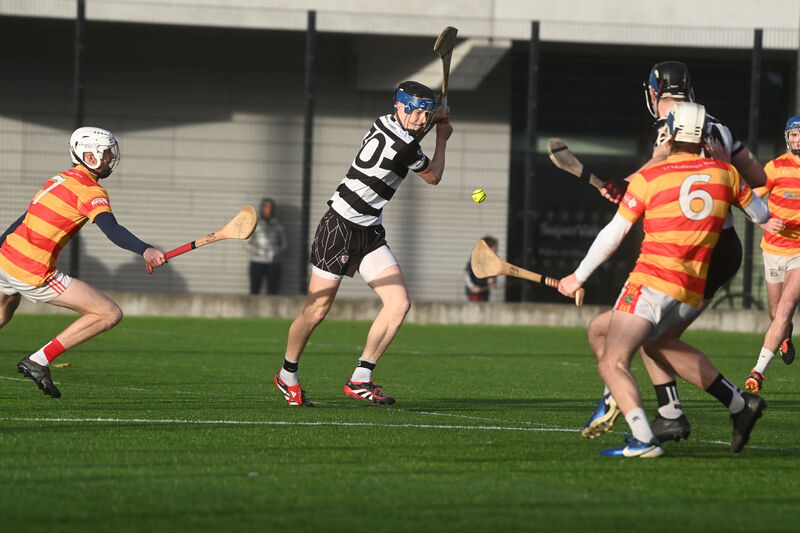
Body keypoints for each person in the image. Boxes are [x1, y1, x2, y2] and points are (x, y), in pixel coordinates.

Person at [558, 102, 769, 457]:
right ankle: (738, 405)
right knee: (629, 337)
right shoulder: (727, 174)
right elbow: (760, 213)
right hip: (690, 288)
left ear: (669, 135)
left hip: (651, 281)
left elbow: (613, 234)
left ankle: (643, 438)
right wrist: (724, 167)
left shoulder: (649, 177)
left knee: (613, 360)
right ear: (703, 137)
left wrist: (576, 277)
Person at [273, 81, 453, 406]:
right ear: (399, 106)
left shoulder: (384, 122)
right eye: (414, 111)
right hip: (339, 227)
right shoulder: (407, 146)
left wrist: (433, 120)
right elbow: (434, 175)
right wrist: (442, 137)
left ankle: (361, 378)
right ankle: (287, 375)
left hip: (368, 231)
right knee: (316, 311)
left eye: (424, 113)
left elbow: (407, 145)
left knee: (398, 304)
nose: (419, 119)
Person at [0, 127, 166, 398]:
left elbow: (24, 218)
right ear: (90, 156)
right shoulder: (89, 190)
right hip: (31, 271)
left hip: (5, 259)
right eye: (107, 152)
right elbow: (113, 230)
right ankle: (38, 360)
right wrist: (145, 250)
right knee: (108, 313)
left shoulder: (59, 179)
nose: (112, 157)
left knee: (2, 314)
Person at [744, 115, 800, 392]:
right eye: (793, 135)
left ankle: (757, 372)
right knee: (776, 311)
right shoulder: (775, 167)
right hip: (773, 249)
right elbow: (750, 202)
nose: (797, 139)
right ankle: (785, 337)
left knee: (787, 308)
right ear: (787, 137)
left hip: (799, 253)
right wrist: (765, 221)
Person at [247, 197, 286, 295]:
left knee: (273, 291)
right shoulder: (256, 225)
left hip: (273, 262)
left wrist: (276, 252)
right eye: (266, 207)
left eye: (271, 207)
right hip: (257, 261)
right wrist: (257, 251)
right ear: (262, 208)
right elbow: (246, 242)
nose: (268, 210)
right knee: (254, 289)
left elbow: (284, 244)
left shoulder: (278, 226)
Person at [465, 236, 498, 301]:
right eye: (495, 249)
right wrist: (472, 287)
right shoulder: (476, 259)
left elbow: (493, 274)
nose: (496, 251)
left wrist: (492, 279)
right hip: (474, 293)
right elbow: (466, 274)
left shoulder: (493, 261)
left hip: (485, 292)